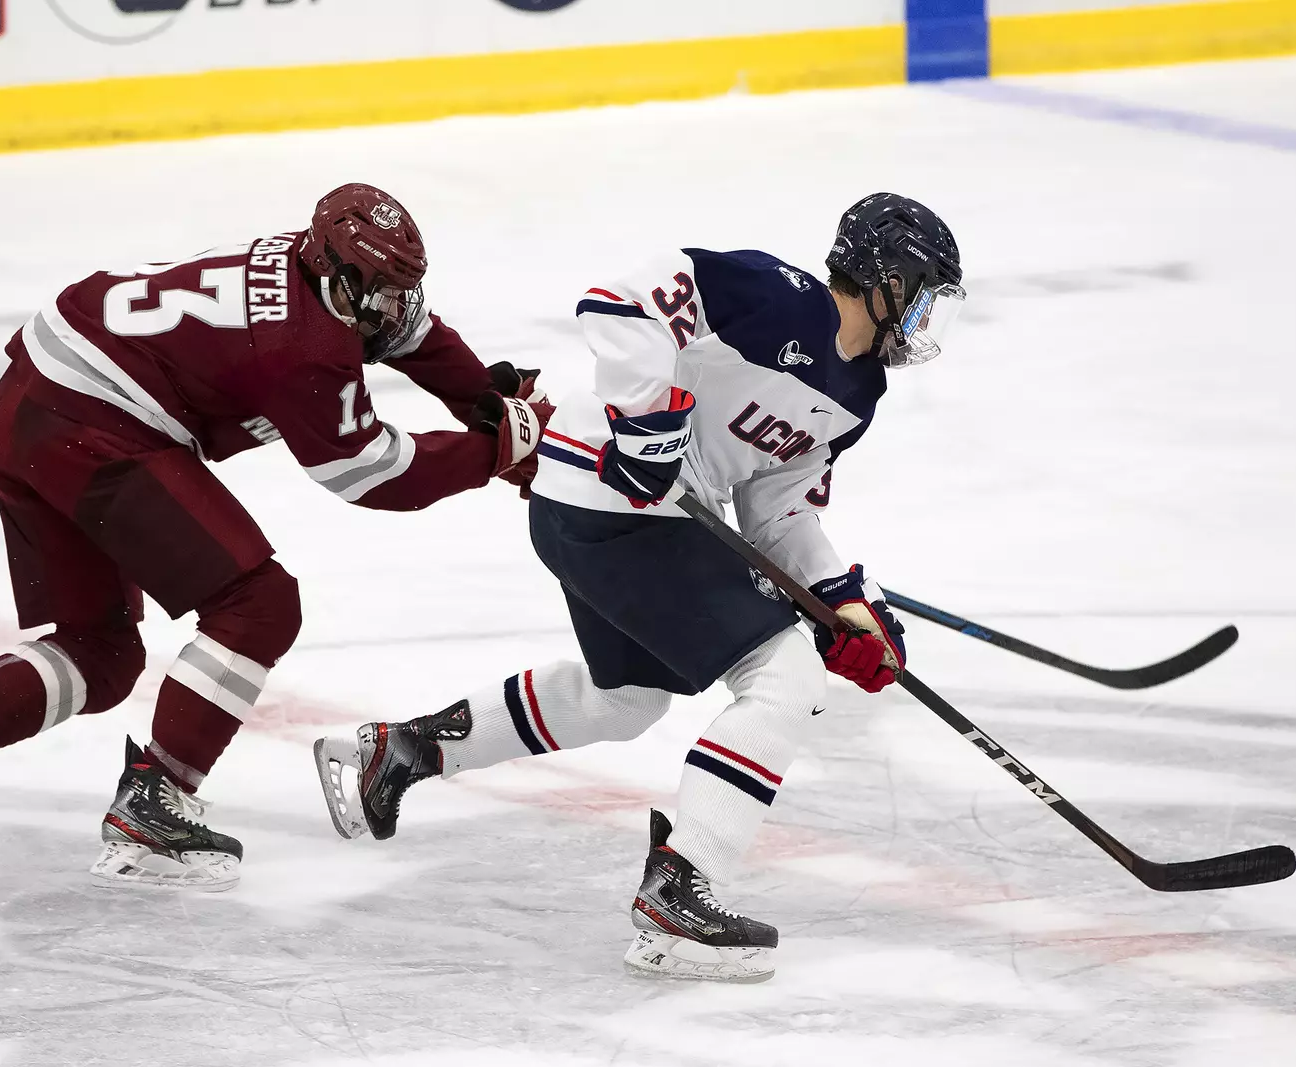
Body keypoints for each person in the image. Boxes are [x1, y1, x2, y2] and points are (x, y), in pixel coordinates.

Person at [314, 193, 964, 980]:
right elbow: (619, 304)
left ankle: (406, 749)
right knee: (783, 677)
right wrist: (647, 419)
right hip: (609, 494)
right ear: (888, 279)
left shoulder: (860, 395)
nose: (926, 320)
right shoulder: (773, 295)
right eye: (925, 295)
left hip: (617, 512)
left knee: (628, 698)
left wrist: (841, 602)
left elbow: (777, 509)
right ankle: (683, 889)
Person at [0, 183, 551, 892]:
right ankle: (154, 803)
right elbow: (372, 474)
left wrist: (489, 403)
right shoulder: (304, 348)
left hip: (30, 407)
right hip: (96, 428)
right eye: (379, 290)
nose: (392, 309)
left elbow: (413, 335)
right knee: (259, 604)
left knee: (98, 652)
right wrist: (496, 451)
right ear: (339, 273)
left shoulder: (310, 265)